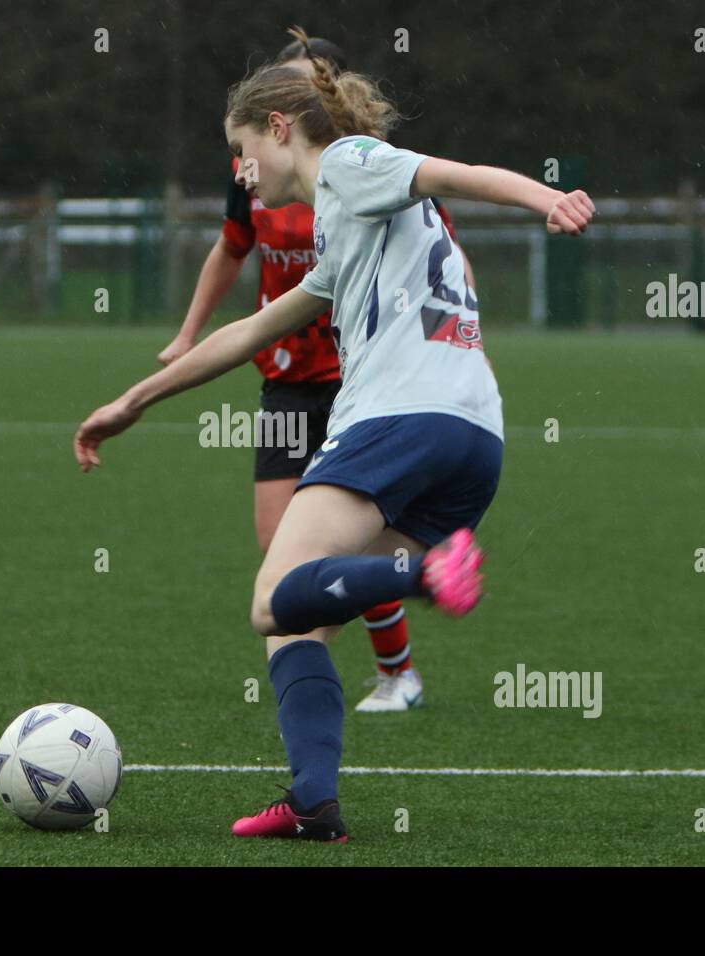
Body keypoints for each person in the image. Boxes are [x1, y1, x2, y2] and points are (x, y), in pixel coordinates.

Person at [75, 26, 593, 843]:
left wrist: (545, 200)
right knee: (301, 623)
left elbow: (454, 173)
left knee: (271, 599)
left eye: (243, 151)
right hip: (474, 435)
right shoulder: (342, 224)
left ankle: (424, 576)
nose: (240, 174)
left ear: (281, 128)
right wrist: (137, 399)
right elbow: (247, 335)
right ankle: (314, 800)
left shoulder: (350, 165)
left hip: (398, 417)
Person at [158, 34, 474, 713]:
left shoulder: (362, 162)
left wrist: (461, 336)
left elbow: (444, 245)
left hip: (364, 376)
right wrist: (187, 335)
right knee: (282, 546)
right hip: (288, 373)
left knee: (348, 536)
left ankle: (394, 671)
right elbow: (230, 248)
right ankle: (320, 658)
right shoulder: (255, 171)